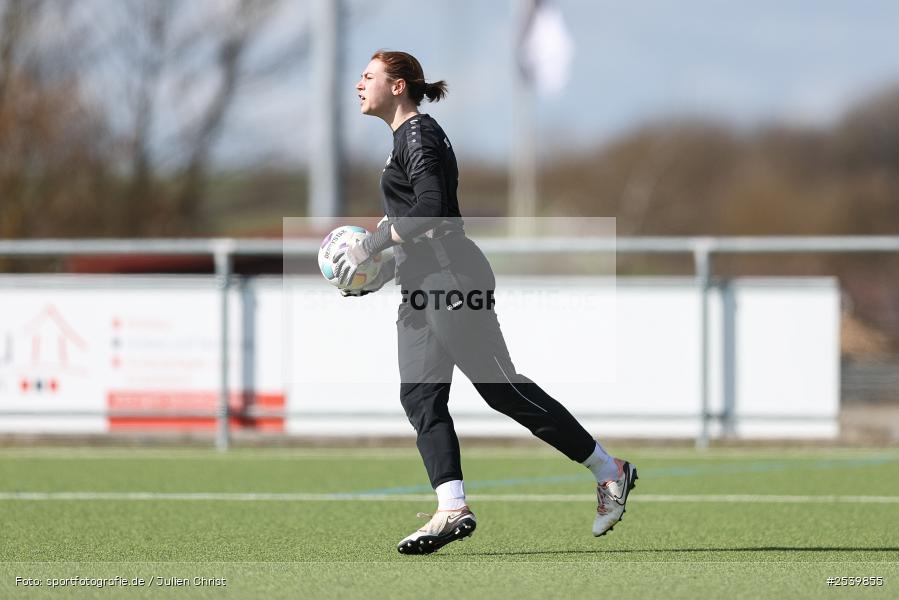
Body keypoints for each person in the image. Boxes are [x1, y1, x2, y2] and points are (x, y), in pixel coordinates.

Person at [333, 50, 637, 555]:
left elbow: (433, 209)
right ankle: (452, 508)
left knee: (500, 388)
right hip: (421, 284)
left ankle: (612, 471)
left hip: (453, 277)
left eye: (368, 76)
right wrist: (378, 269)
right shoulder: (400, 142)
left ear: (399, 86)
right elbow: (418, 224)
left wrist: (374, 241)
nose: (358, 85)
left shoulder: (418, 134)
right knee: (420, 399)